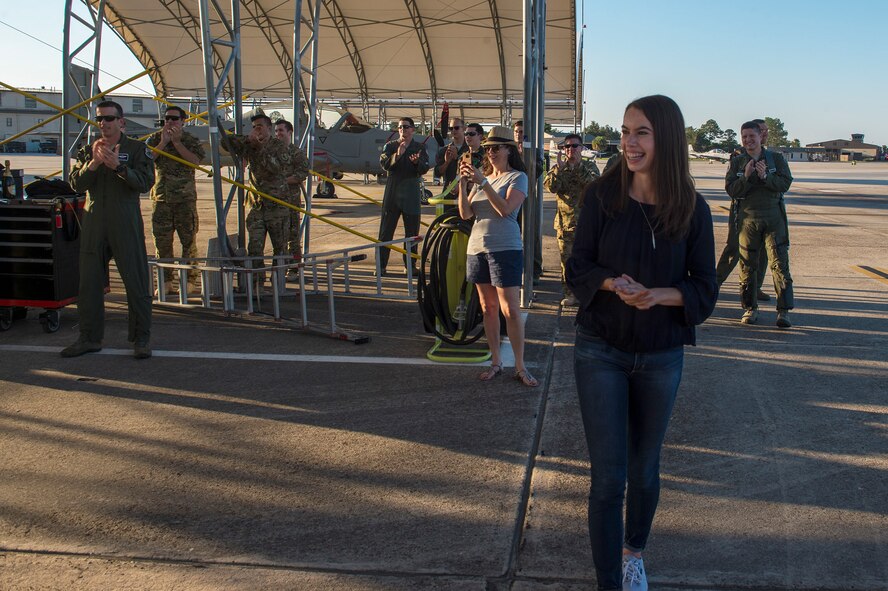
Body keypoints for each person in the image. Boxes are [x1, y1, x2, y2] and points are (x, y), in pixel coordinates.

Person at [566, 95, 718, 590]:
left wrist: (661, 296)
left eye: (642, 132)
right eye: (625, 130)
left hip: (660, 355)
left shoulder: (692, 209)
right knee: (609, 478)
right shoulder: (601, 197)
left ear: (667, 139)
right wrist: (614, 285)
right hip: (600, 350)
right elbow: (578, 267)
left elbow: (705, 287)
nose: (628, 142)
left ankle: (634, 552)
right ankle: (609, 580)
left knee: (645, 469)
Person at [63, 100, 156, 359]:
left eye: (109, 118)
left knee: (135, 281)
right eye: (100, 119)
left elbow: (145, 183)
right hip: (94, 221)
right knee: (89, 284)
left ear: (121, 122)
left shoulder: (137, 150)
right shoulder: (88, 151)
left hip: (124, 220)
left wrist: (119, 167)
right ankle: (89, 337)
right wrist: (93, 163)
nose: (103, 123)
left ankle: (141, 339)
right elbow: (76, 185)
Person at [457, 125, 537, 387]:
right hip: (477, 247)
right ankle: (495, 362)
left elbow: (506, 210)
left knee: (510, 309)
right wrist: (462, 184)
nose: (490, 152)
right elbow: (466, 214)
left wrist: (482, 182)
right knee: (487, 308)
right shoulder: (485, 178)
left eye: (496, 148)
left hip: (505, 248)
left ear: (508, 150)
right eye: (488, 148)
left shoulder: (517, 177)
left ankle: (520, 366)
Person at [221, 111, 309, 288]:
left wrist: (260, 148)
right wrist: (248, 140)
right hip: (257, 205)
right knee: (255, 247)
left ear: (268, 129)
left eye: (259, 127)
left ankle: (278, 283)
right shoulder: (251, 144)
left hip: (277, 206)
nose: (257, 130)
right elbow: (225, 143)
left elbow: (276, 168)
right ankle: (257, 283)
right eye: (254, 127)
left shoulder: (280, 147)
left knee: (280, 247)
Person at [726, 121, 794, 327]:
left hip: (774, 219)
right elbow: (731, 190)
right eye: (744, 136)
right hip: (748, 221)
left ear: (760, 137)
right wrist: (746, 177)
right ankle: (750, 308)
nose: (748, 140)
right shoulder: (738, 162)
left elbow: (785, 183)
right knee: (747, 266)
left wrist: (766, 176)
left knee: (779, 264)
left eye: (751, 136)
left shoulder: (777, 159)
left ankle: (783, 311)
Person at [146, 105, 205, 296]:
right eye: (167, 119)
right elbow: (146, 161)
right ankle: (165, 280)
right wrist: (163, 143)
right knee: (162, 243)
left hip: (184, 199)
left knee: (188, 242)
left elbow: (195, 162)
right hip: (161, 199)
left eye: (174, 119)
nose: (170, 122)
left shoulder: (190, 140)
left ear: (183, 121)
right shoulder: (155, 139)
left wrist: (178, 144)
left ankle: (188, 280)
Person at [715, 118, 770, 301]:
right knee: (734, 248)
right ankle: (714, 284)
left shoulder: (771, 158)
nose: (765, 134)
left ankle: (757, 287)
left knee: (762, 251)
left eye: (766, 131)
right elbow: (732, 189)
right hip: (742, 212)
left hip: (764, 214)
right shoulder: (739, 158)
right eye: (761, 130)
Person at [543, 133, 600, 307]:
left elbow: (594, 185)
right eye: (567, 147)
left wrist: (577, 168)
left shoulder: (590, 166)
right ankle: (570, 293)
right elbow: (551, 187)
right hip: (565, 224)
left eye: (574, 146)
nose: (570, 150)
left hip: (586, 225)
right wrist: (560, 170)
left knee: (587, 261)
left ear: (582, 148)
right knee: (566, 261)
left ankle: (586, 293)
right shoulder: (559, 168)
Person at [378, 117, 430, 275]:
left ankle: (410, 265)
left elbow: (424, 168)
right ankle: (381, 266)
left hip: (411, 192)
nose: (403, 130)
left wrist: (416, 163)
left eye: (406, 127)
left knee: (412, 232)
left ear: (413, 129)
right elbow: (384, 164)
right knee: (386, 231)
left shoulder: (419, 147)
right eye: (400, 127)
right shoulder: (390, 146)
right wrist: (397, 156)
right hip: (393, 191)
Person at [513, 120, 544, 285]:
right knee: (514, 232)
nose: (519, 134)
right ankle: (519, 268)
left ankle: (535, 269)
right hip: (512, 196)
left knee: (532, 233)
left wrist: (526, 157)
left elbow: (538, 170)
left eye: (522, 131)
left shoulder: (535, 151)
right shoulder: (510, 151)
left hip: (529, 196)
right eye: (517, 131)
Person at [274, 118, 305, 279]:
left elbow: (302, 174)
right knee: (279, 237)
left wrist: (283, 181)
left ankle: (294, 269)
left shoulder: (296, 152)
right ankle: (281, 267)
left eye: (281, 130)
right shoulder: (271, 151)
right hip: (275, 201)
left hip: (291, 200)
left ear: (289, 132)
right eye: (276, 131)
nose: (278, 134)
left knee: (293, 237)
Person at [434, 117, 469, 199]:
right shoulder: (444, 151)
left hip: (467, 193)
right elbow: (437, 173)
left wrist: (457, 158)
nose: (453, 130)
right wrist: (447, 162)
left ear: (464, 128)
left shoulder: (470, 149)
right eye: (451, 128)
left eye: (456, 128)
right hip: (449, 193)